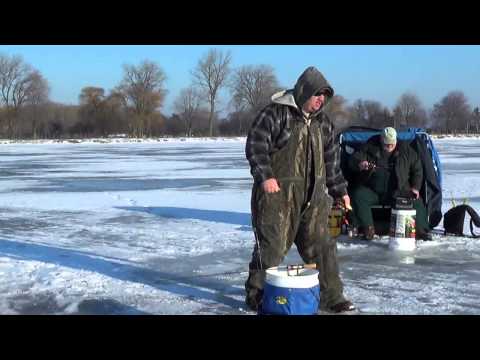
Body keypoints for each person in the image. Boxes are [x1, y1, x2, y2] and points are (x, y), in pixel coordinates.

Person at [244, 66, 355, 313]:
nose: (321, 100)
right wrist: (265, 176)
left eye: (325, 96)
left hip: (314, 198)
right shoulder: (276, 114)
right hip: (277, 196)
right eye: (317, 94)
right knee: (271, 247)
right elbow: (256, 145)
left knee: (323, 247)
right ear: (305, 91)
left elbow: (332, 164)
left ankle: (332, 296)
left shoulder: (324, 124)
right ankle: (257, 294)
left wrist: (341, 191)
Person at [347, 127, 433, 241]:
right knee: (358, 195)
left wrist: (415, 188)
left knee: (416, 201)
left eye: (392, 144)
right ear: (381, 140)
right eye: (387, 144)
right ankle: (367, 228)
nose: (389, 147)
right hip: (373, 190)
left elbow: (417, 170)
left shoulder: (407, 151)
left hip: (398, 190)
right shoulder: (369, 147)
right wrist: (360, 163)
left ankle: (423, 231)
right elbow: (353, 160)